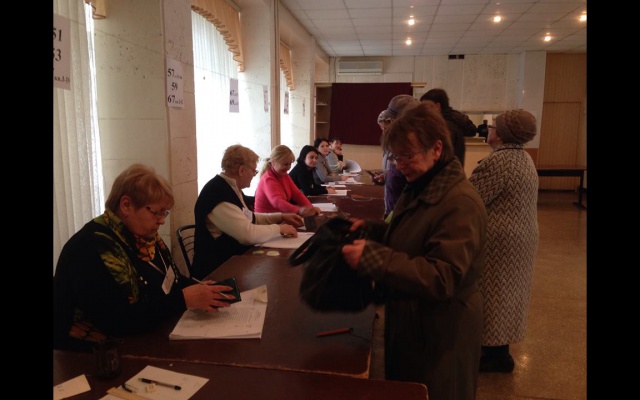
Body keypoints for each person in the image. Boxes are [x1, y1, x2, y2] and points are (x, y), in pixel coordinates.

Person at [341, 102, 488, 400]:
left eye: (407, 155)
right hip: (417, 324)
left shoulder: (459, 202)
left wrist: (375, 258)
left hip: (443, 333)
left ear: (436, 149)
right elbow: (415, 236)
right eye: (395, 157)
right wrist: (374, 231)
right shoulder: (422, 184)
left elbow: (443, 277)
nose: (399, 165)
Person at [53, 164, 237, 351]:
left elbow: (171, 280)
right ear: (126, 205)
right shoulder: (91, 248)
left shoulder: (146, 239)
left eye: (164, 213)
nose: (162, 220)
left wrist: (200, 289)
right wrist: (183, 299)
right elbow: (117, 321)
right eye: (157, 212)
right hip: (89, 354)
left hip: (142, 337)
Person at [468, 109, 539, 373]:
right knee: (507, 294)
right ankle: (498, 350)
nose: (488, 130)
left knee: (493, 293)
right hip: (520, 237)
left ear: (502, 134)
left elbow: (470, 199)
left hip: (501, 243)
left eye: (492, 127)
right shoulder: (523, 157)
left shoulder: (500, 161)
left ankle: (496, 355)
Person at [192, 145, 303, 279]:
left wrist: (280, 216)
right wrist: (279, 228)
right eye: (254, 171)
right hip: (216, 272)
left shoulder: (232, 187)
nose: (254, 175)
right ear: (242, 170)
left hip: (234, 262)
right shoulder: (217, 193)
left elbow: (249, 217)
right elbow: (247, 234)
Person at [377, 94, 419, 219]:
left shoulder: (412, 152)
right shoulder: (396, 146)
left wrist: (393, 223)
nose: (385, 132)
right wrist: (386, 175)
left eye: (388, 127)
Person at [254, 144, 321, 216]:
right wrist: (299, 210)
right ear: (273, 162)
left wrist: (311, 208)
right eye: (285, 164)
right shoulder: (268, 179)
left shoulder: (284, 175)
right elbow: (277, 202)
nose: (288, 167)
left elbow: (297, 194)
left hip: (279, 216)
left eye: (290, 164)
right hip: (266, 220)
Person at [420, 88, 476, 166]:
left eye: (426, 107)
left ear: (437, 106)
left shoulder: (445, 126)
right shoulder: (454, 121)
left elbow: (442, 156)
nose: (424, 112)